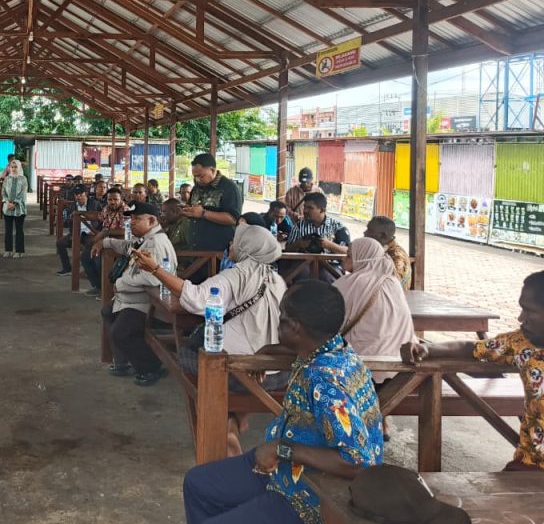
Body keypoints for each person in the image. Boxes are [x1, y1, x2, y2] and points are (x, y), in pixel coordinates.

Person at [183, 281, 384, 524]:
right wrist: (271, 349)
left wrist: (282, 448)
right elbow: (306, 351)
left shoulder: (324, 382)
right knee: (197, 484)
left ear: (295, 327)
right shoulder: (337, 349)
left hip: (309, 493)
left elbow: (358, 462)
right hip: (282, 467)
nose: (277, 322)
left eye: (281, 317)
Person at [143, 221, 288, 454]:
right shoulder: (276, 279)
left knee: (190, 357)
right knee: (219, 354)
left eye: (237, 241)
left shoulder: (237, 274)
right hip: (276, 373)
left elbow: (196, 298)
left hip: (239, 372)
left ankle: (223, 428)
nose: (231, 244)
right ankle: (235, 420)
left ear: (247, 247)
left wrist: (155, 269)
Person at [402, 270, 544, 472]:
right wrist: (427, 349)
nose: (521, 318)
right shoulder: (522, 344)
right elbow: (471, 348)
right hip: (529, 464)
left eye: (529, 311)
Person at [92, 202, 177, 386]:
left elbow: (152, 279)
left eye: (137, 219)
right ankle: (124, 361)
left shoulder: (156, 244)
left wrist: (121, 283)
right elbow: (128, 247)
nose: (132, 223)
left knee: (121, 332)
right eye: (131, 219)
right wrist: (105, 242)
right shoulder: (146, 238)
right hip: (132, 297)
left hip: (149, 301)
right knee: (108, 312)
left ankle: (151, 367)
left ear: (152, 221)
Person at [334, 238, 417, 379]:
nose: (344, 258)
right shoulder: (393, 282)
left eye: (349, 255)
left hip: (358, 369)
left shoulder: (348, 283)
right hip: (401, 369)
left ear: (360, 257)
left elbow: (329, 323)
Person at [184, 152, 242, 255]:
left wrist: (203, 213)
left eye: (201, 176)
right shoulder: (197, 187)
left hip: (218, 250)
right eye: (195, 176)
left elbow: (233, 219)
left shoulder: (229, 187)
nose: (197, 179)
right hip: (195, 248)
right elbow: (192, 206)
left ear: (212, 170)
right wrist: (186, 210)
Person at [285, 192, 351, 278]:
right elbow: (287, 250)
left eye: (310, 208)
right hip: (303, 264)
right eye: (304, 207)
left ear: (322, 210)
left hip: (331, 265)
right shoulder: (298, 226)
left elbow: (348, 251)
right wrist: (298, 243)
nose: (305, 210)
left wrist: (329, 245)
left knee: (327, 276)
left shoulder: (338, 227)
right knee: (302, 275)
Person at [85, 188, 130, 297]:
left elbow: (126, 231)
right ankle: (99, 287)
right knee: (85, 257)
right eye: (110, 199)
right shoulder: (106, 208)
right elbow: (98, 216)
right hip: (104, 242)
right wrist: (80, 214)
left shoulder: (126, 211)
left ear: (121, 199)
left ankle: (108, 291)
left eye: (115, 199)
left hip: (120, 243)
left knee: (98, 259)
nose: (113, 202)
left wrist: (106, 232)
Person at [365, 216, 411, 288]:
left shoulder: (397, 257)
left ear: (383, 235)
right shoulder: (380, 249)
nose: (365, 233)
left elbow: (392, 286)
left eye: (369, 230)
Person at [57, 186, 93, 277]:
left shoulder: (94, 204)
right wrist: (69, 220)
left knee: (89, 247)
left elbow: (99, 219)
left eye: (81, 194)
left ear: (86, 194)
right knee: (60, 243)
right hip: (77, 232)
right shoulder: (73, 206)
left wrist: (94, 230)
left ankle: (90, 270)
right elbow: (67, 223)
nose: (78, 197)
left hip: (91, 232)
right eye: (76, 195)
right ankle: (67, 268)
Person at [1, 159, 28, 259]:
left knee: (19, 230)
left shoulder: (23, 179)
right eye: (12, 167)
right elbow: (3, 192)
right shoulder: (7, 179)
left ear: (19, 167)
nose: (14, 169)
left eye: (16, 167)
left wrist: (15, 203)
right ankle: (8, 250)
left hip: (19, 208)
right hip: (7, 208)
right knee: (8, 230)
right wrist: (7, 202)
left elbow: (23, 193)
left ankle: (19, 251)